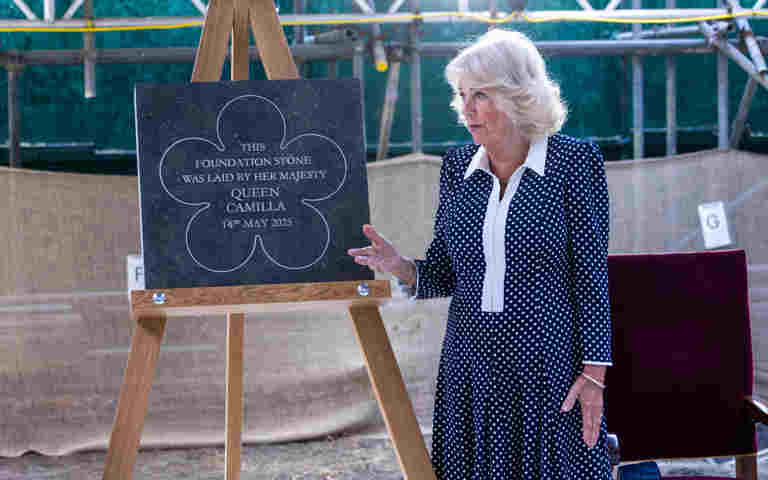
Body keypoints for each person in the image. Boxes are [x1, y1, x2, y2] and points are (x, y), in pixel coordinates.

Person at [348, 28, 611, 479]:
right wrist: (400, 267)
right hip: (470, 365)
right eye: (462, 95)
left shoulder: (573, 162)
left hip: (547, 366)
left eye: (481, 95)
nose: (466, 109)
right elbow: (444, 273)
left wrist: (594, 375)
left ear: (519, 96)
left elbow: (591, 276)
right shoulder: (456, 168)